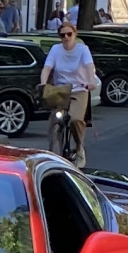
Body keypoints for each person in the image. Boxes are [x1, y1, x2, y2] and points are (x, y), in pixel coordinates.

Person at [37, 19, 96, 163]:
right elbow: (47, 68)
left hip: (79, 89)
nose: (66, 38)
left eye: (69, 34)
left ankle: (80, 148)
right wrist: (44, 84)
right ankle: (54, 156)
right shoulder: (55, 49)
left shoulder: (83, 49)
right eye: (63, 35)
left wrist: (91, 81)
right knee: (55, 122)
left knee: (75, 119)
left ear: (75, 34)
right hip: (61, 90)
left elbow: (89, 66)